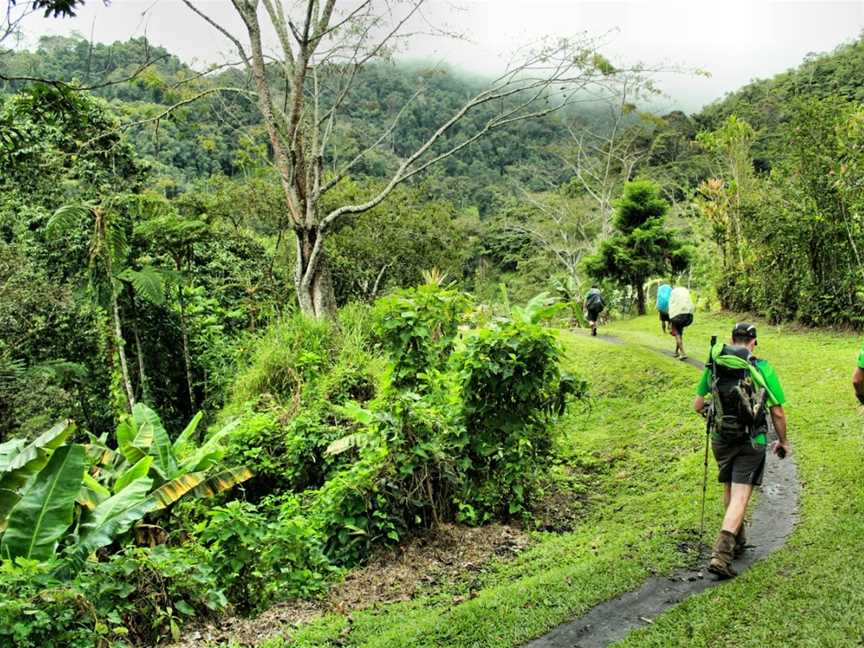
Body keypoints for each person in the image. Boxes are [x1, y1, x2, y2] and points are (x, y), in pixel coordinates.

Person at [693, 323, 791, 578]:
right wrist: (783, 441)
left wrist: (719, 420)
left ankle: (738, 539)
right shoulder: (761, 367)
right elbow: (777, 411)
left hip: (720, 438)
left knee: (730, 486)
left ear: (731, 339)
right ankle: (721, 554)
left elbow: (698, 404)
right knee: (740, 494)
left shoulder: (715, 363)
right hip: (752, 439)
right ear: (754, 342)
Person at [668, 286, 694, 360]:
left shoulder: (673, 295)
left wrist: (670, 321)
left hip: (677, 317)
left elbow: (670, 306)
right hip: (687, 316)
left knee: (677, 334)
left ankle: (683, 354)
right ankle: (676, 352)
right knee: (679, 334)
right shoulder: (685, 295)